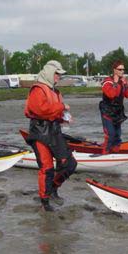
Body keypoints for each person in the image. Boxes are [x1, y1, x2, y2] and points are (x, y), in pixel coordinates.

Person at [24, 60, 77, 212]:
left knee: (70, 164)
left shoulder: (55, 91)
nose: (58, 77)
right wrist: (61, 107)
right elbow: (40, 109)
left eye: (60, 75)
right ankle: (45, 202)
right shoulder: (37, 89)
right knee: (46, 168)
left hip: (54, 131)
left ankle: (53, 189)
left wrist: (64, 117)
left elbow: (52, 112)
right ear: (49, 73)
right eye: (57, 74)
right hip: (40, 133)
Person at [99, 60, 128, 153]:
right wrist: (115, 83)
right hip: (107, 111)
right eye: (120, 69)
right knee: (110, 134)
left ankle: (115, 152)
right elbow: (111, 95)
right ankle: (105, 153)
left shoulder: (123, 82)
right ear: (114, 70)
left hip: (118, 112)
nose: (122, 71)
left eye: (123, 69)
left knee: (118, 135)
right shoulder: (107, 82)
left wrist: (125, 84)